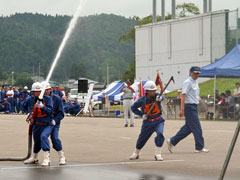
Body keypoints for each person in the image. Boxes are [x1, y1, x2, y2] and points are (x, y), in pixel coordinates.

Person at [167, 66, 209, 153]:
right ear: (191, 73)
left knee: (188, 128)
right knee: (197, 127)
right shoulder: (188, 82)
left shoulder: (195, 82)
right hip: (189, 107)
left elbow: (195, 94)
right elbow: (183, 95)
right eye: (195, 73)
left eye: (198, 73)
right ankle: (199, 147)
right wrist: (182, 109)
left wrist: (199, 100)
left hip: (194, 106)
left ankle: (172, 141)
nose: (197, 75)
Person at [129, 81, 165, 161]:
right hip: (147, 122)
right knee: (142, 138)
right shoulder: (142, 100)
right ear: (147, 91)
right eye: (151, 91)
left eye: (154, 90)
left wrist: (161, 98)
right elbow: (133, 107)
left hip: (158, 120)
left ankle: (158, 153)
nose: (153, 92)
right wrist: (141, 114)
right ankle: (136, 152)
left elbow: (163, 96)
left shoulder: (157, 96)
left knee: (160, 134)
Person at [23, 82, 54, 166]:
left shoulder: (48, 99)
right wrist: (28, 113)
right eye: (36, 91)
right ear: (33, 92)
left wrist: (43, 107)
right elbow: (24, 106)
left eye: (39, 91)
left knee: (43, 136)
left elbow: (51, 111)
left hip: (47, 123)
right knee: (36, 141)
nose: (38, 93)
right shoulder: (30, 100)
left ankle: (47, 158)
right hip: (36, 124)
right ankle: (34, 158)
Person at [41, 81, 66, 165]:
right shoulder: (41, 98)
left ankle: (61, 156)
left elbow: (61, 113)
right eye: (43, 90)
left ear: (50, 89)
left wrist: (55, 120)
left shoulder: (57, 98)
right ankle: (46, 158)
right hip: (45, 122)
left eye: (47, 89)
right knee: (43, 137)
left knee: (55, 139)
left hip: (54, 122)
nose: (45, 91)